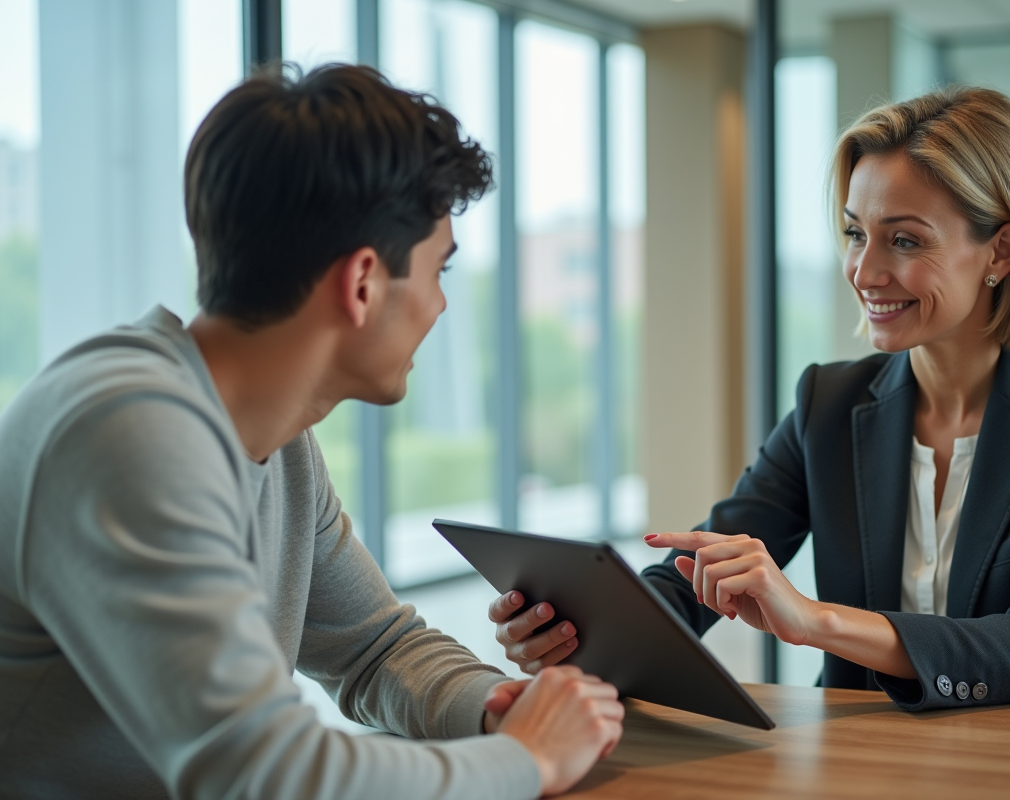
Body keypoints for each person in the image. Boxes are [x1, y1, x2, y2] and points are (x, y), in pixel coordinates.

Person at [0, 64, 623, 800]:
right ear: (362, 284)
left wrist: (500, 708)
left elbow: (373, 649)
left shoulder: (276, 439)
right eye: (438, 272)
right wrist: (528, 760)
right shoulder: (127, 433)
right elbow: (264, 772)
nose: (440, 306)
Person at [491, 86, 1010, 711]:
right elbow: (702, 569)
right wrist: (578, 635)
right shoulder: (828, 404)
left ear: (1000, 251)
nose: (863, 271)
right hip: (875, 743)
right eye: (856, 233)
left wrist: (815, 621)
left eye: (905, 240)